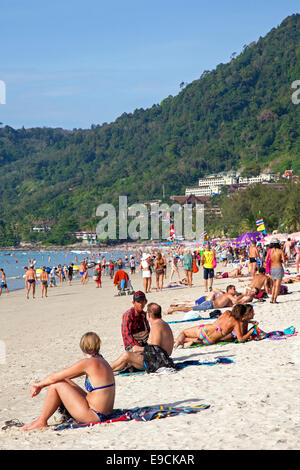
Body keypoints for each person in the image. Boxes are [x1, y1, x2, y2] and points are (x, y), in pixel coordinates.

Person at [22, 332, 115, 430]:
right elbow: (67, 376)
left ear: (82, 348)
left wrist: (39, 385)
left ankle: (42, 421)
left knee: (55, 384)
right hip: (105, 412)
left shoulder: (87, 363)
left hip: (94, 415)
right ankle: (41, 420)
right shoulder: (102, 360)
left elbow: (54, 377)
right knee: (63, 380)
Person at [111, 303, 175, 373]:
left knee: (127, 355)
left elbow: (155, 350)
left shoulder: (156, 326)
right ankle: (111, 370)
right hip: (164, 358)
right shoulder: (163, 324)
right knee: (129, 359)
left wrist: (138, 348)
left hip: (157, 362)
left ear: (149, 314)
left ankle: (106, 369)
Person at [174, 304, 258, 348]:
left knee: (184, 332)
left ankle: (176, 344)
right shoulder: (236, 323)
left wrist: (249, 321)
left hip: (204, 330)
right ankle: (186, 343)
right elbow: (241, 339)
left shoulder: (227, 313)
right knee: (189, 339)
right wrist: (251, 330)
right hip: (210, 340)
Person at [166, 285, 256, 314]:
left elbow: (235, 301)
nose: (235, 290)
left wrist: (245, 297)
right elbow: (236, 301)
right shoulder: (228, 295)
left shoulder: (228, 296)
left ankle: (176, 307)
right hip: (209, 305)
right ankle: (174, 309)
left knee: (191, 307)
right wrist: (244, 294)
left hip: (210, 304)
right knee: (191, 309)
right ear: (229, 290)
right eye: (234, 289)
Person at [266, 239, 285, 304]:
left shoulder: (269, 251)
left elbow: (266, 259)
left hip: (272, 268)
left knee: (274, 285)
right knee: (277, 285)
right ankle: (275, 299)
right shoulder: (280, 251)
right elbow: (284, 260)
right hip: (279, 268)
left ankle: (271, 299)